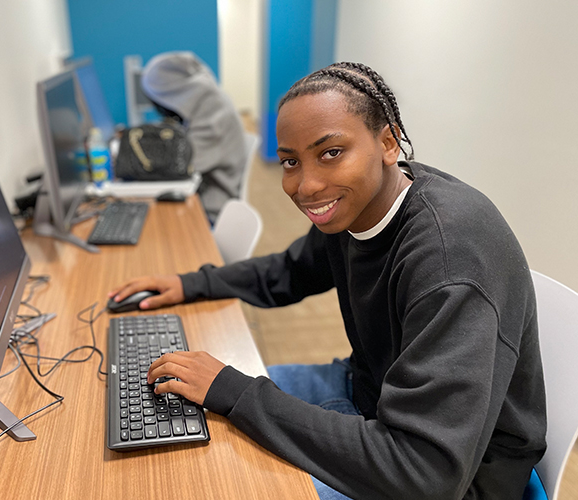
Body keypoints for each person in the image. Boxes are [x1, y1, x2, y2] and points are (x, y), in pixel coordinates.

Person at [109, 62, 546, 499]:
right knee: (189, 414)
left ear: (388, 142)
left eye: (331, 153)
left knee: (224, 478)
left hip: (449, 475)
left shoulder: (449, 260)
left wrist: (234, 391)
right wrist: (192, 283)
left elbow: (423, 472)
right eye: (290, 162)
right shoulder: (363, 204)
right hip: (369, 397)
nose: (306, 185)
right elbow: (290, 272)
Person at [141, 51, 247, 223]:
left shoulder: (213, 115)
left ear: (171, 95)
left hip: (212, 210)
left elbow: (181, 166)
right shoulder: (207, 100)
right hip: (205, 197)